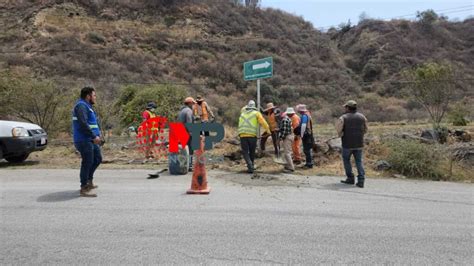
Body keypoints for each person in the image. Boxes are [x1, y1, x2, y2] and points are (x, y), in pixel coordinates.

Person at [72, 87, 102, 197]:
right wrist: (94, 136)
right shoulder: (81, 106)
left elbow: (92, 123)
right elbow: (83, 123)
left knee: (97, 159)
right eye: (94, 95)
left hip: (90, 139)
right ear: (88, 96)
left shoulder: (87, 106)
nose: (95, 97)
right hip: (83, 140)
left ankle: (89, 181)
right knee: (87, 162)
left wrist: (97, 135)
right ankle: (83, 187)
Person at [336, 100, 368, 188]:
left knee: (346, 160)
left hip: (347, 143)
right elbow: (365, 129)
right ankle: (361, 180)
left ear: (348, 108)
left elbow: (339, 130)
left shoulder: (343, 117)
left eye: (345, 107)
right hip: (359, 143)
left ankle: (350, 178)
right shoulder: (362, 117)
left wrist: (341, 134)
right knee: (359, 161)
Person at [238, 100, 270, 173]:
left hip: (243, 135)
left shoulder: (242, 114)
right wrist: (268, 131)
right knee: (252, 152)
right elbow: (263, 122)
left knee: (245, 152)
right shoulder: (256, 113)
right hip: (252, 136)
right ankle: (251, 164)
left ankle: (250, 167)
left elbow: (242, 111)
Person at [178, 97, 196, 171]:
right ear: (189, 103)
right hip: (187, 133)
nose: (193, 105)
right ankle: (190, 166)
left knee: (183, 150)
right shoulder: (189, 111)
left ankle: (183, 165)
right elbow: (189, 123)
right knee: (190, 149)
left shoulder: (181, 111)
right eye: (193, 103)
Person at [297, 104, 314, 169]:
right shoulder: (308, 115)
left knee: (307, 149)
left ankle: (309, 164)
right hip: (308, 133)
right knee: (308, 149)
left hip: (306, 134)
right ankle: (309, 163)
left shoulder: (304, 116)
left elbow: (303, 125)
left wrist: (301, 134)